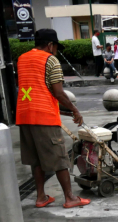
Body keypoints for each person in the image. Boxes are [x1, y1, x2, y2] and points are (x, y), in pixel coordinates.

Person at [16, 29, 89, 210]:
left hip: (24, 115)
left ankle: (41, 197)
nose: (56, 50)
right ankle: (70, 197)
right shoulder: (50, 60)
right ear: (50, 45)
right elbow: (58, 92)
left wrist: (62, 111)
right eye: (55, 46)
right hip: (44, 118)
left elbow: (36, 88)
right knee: (59, 158)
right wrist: (74, 110)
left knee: (36, 159)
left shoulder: (22, 59)